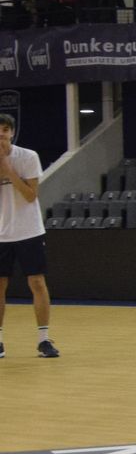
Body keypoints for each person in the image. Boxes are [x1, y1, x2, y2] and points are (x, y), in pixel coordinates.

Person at [0, 113, 59, 360]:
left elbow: (30, 195)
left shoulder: (28, 157)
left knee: (37, 283)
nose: (1, 134)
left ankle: (44, 340)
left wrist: (7, 169)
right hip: (1, 233)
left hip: (29, 231)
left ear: (12, 132)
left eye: (5, 129)